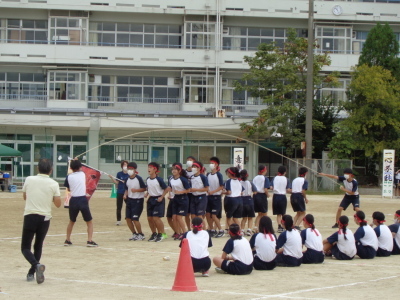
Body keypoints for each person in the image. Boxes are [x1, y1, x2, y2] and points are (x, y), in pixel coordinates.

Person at [21, 158, 61, 284]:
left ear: (37, 168)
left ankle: (35, 266)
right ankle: (32, 272)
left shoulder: (29, 179)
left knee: (25, 247)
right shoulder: (54, 184)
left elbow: (24, 196)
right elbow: (58, 204)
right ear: (51, 170)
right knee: (38, 245)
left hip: (30, 216)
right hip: (44, 218)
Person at [64, 159, 98, 247]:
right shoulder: (82, 174)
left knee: (71, 221)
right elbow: (84, 169)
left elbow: (68, 189)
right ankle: (89, 240)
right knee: (89, 221)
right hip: (82, 199)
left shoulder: (69, 177)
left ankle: (67, 240)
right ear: (80, 167)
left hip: (73, 200)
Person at [146, 162, 169, 242]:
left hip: (158, 199)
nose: (149, 169)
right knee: (150, 218)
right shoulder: (148, 179)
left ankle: (161, 234)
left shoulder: (159, 179)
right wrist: (147, 193)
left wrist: (162, 197)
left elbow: (166, 189)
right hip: (151, 199)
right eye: (148, 167)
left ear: (155, 169)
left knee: (156, 218)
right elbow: (149, 188)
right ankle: (154, 233)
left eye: (150, 167)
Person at [123, 162, 146, 241]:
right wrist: (125, 194)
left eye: (131, 169)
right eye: (129, 169)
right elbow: (126, 189)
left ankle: (141, 234)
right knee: (128, 219)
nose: (130, 170)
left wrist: (136, 190)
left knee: (135, 219)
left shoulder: (138, 178)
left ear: (135, 170)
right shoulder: (127, 179)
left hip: (138, 201)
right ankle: (134, 233)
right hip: (130, 200)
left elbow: (144, 188)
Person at [169, 162, 191, 240]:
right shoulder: (171, 179)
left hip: (183, 199)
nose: (174, 171)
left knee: (179, 217)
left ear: (179, 171)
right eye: (173, 169)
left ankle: (185, 233)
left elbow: (188, 190)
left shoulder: (183, 179)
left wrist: (180, 192)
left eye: (176, 169)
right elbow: (171, 188)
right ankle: (178, 233)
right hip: (175, 199)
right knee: (174, 217)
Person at [206, 157, 224, 238]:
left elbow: (221, 186)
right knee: (208, 214)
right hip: (208, 197)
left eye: (213, 163)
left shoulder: (219, 174)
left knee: (214, 215)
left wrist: (213, 191)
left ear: (216, 165)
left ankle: (220, 230)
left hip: (216, 197)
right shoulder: (208, 175)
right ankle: (212, 230)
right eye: (210, 163)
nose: (211, 165)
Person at [108, 160, 130, 226]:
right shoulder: (119, 174)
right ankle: (118, 220)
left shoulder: (130, 174)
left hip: (127, 192)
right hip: (120, 191)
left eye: (126, 165)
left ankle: (129, 218)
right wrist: (112, 178)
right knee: (119, 207)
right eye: (124, 165)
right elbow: (117, 182)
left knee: (129, 206)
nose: (125, 166)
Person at [272, 166, 291, 233]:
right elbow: (288, 189)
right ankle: (284, 225)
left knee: (278, 213)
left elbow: (271, 187)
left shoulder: (275, 178)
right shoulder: (286, 179)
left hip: (276, 196)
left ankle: (279, 226)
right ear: (285, 172)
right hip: (282, 196)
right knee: (283, 212)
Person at [252, 165, 271, 230]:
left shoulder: (255, 178)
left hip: (255, 195)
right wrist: (268, 194)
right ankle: (267, 226)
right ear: (265, 170)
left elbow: (253, 187)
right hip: (262, 196)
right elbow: (265, 189)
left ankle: (255, 226)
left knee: (259, 214)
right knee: (264, 213)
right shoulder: (265, 178)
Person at [240, 169, 256, 236]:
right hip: (249, 199)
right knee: (250, 217)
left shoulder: (239, 183)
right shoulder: (250, 183)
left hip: (242, 200)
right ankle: (249, 229)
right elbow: (255, 191)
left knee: (244, 217)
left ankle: (242, 230)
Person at [185, 156, 196, 231]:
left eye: (190, 160)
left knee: (193, 213)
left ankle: (195, 227)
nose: (189, 161)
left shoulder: (195, 172)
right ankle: (188, 229)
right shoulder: (183, 172)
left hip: (194, 194)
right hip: (186, 194)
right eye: (188, 160)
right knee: (186, 213)